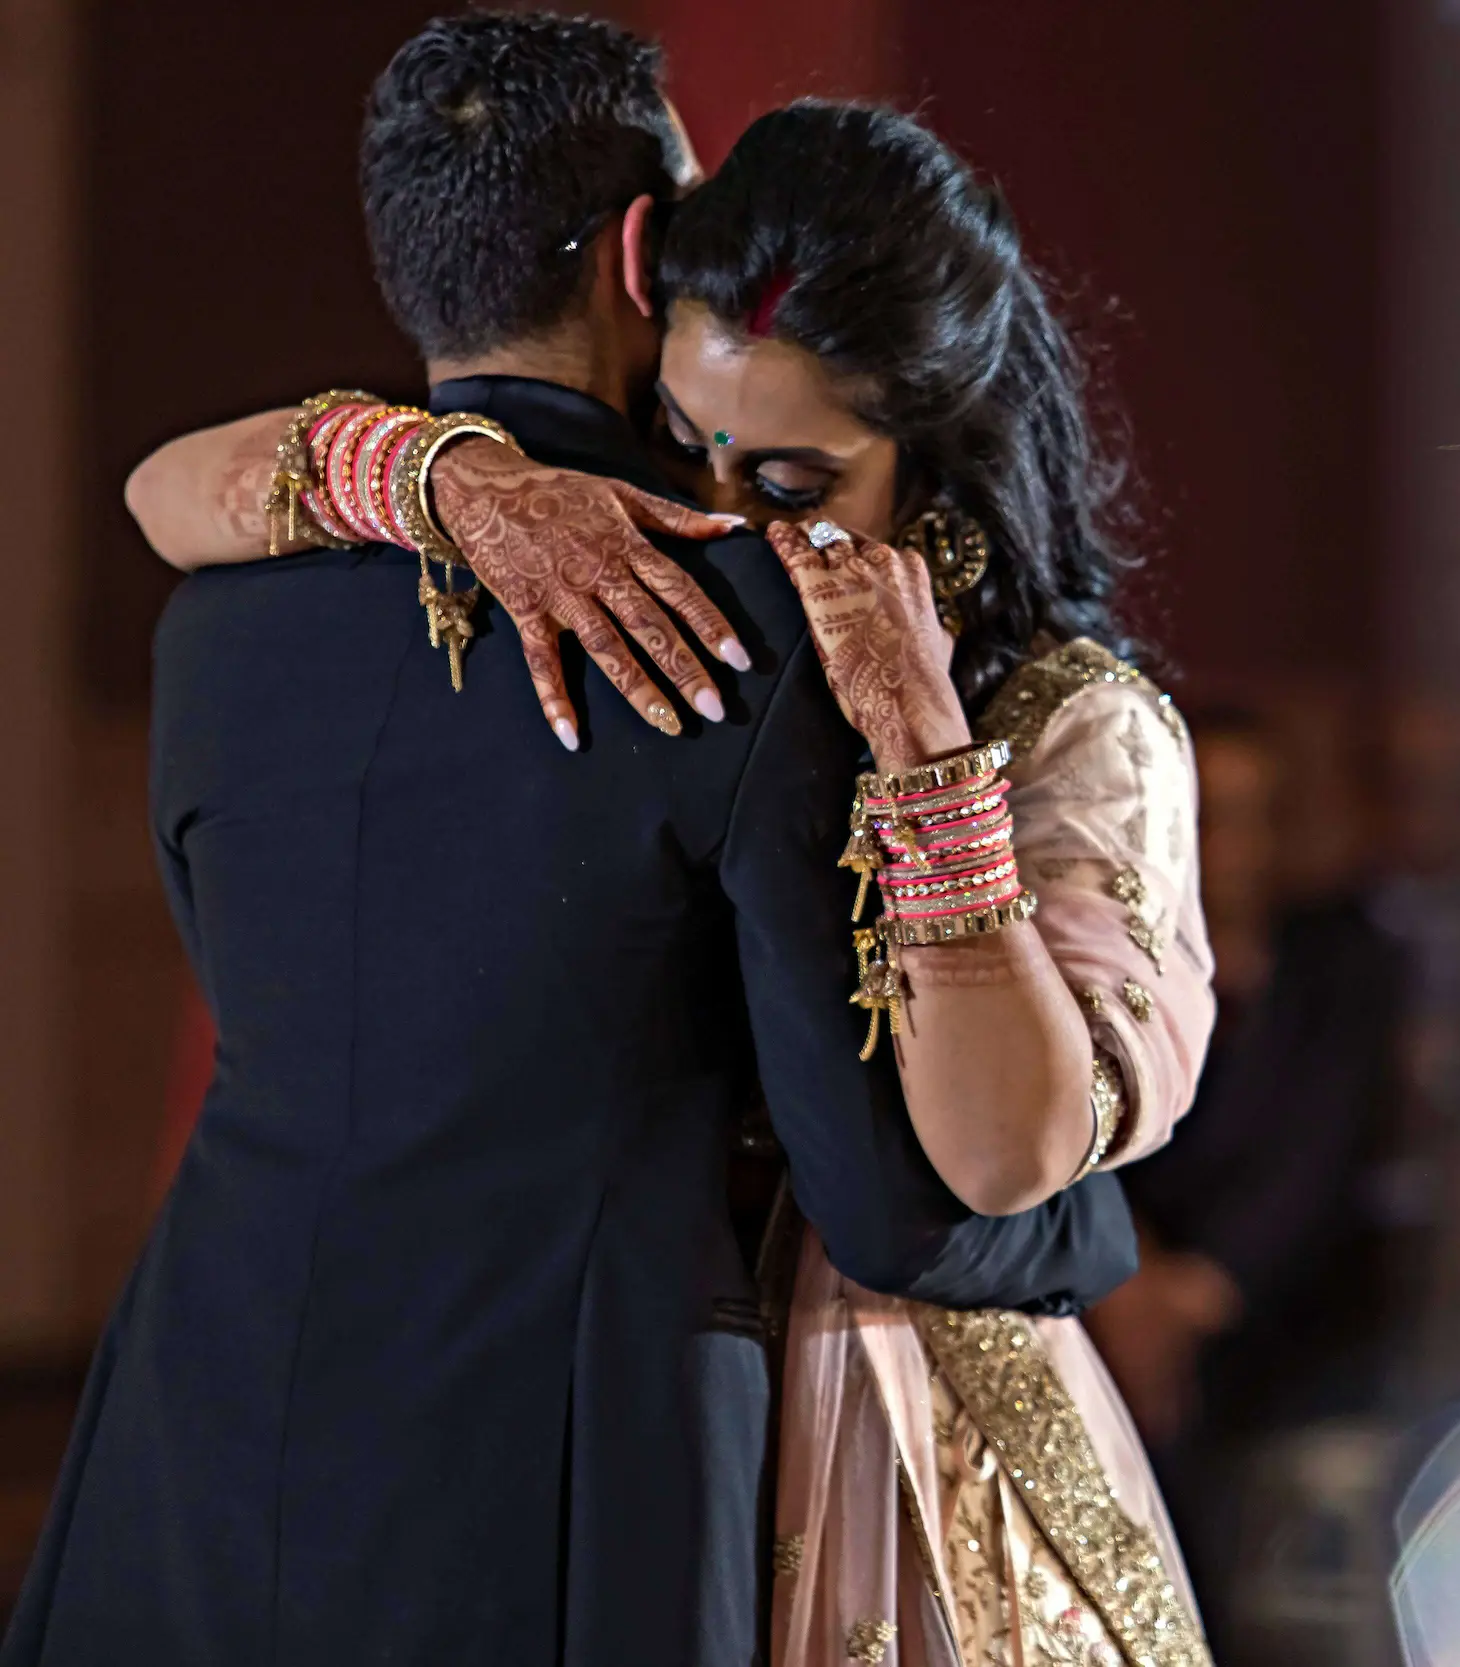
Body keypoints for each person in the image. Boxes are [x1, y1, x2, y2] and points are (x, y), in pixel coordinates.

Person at [3, 21, 1143, 1667]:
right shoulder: (744, 623)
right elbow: (882, 1200)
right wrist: (1093, 1231)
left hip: (207, 1405)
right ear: (643, 251)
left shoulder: (217, 620)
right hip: (564, 1437)